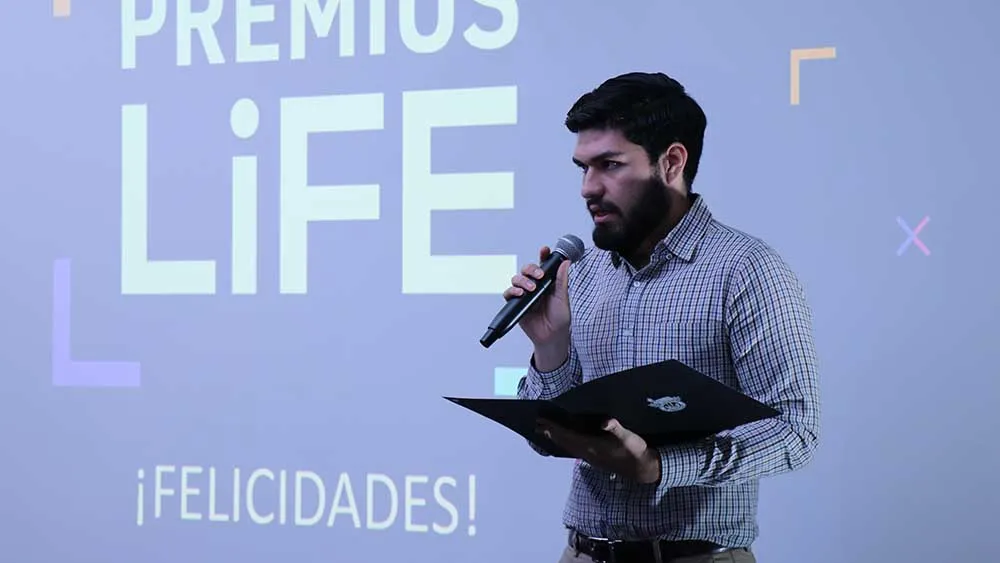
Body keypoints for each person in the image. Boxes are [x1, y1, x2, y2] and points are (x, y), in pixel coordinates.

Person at [507, 72, 821, 563]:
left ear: (672, 162)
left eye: (609, 165)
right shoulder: (582, 275)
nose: (588, 188)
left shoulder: (746, 270)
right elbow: (546, 440)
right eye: (583, 168)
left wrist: (660, 465)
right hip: (583, 553)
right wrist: (550, 347)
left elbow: (796, 431)